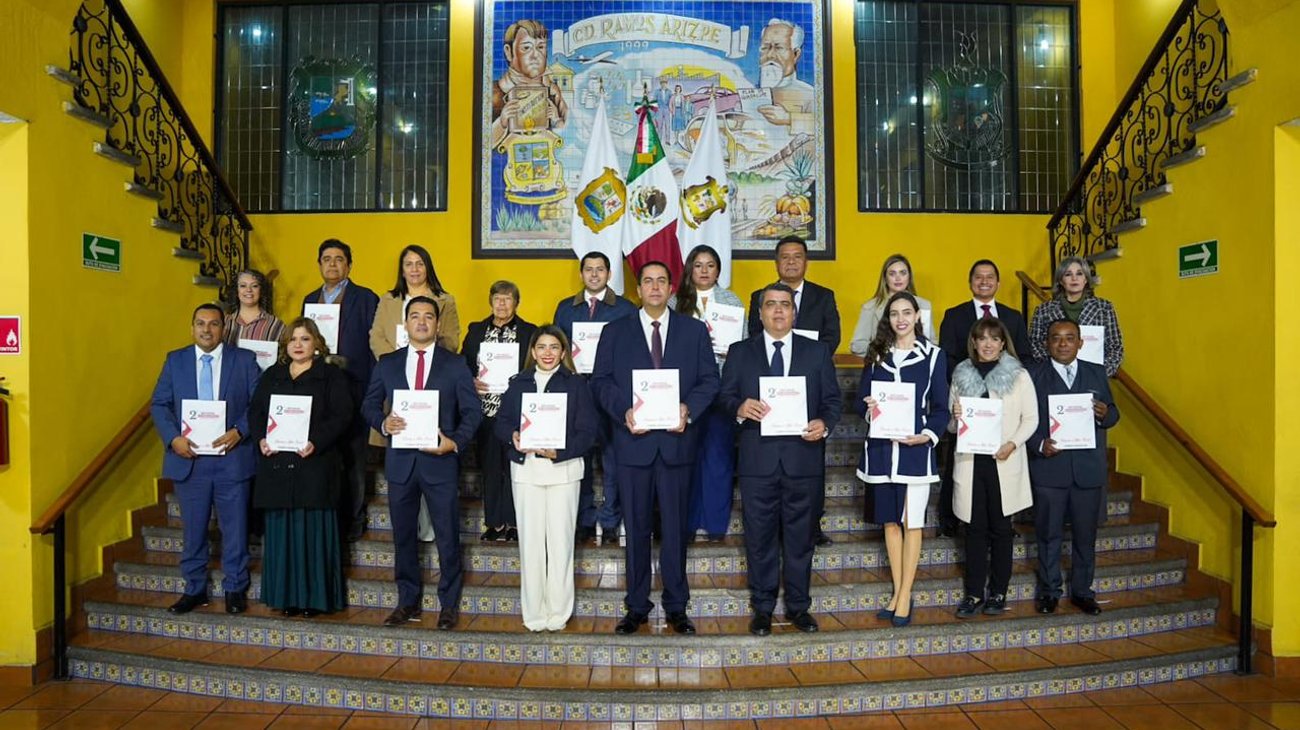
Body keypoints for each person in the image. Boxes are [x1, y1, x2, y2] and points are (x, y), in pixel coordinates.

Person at [591, 261, 720, 636]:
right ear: (638, 289)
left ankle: (677, 606)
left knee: (676, 530)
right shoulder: (615, 332)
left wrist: (688, 409)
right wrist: (624, 411)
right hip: (634, 445)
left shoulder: (693, 331)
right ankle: (636, 606)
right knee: (636, 529)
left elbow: (709, 381)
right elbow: (601, 382)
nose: (655, 287)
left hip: (677, 445)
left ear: (671, 288)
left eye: (662, 281)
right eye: (648, 281)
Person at [720, 283, 841, 636]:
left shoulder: (817, 352)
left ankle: (799, 607)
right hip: (757, 462)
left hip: (803, 460)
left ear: (794, 312)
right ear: (759, 314)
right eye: (770, 304)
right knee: (759, 539)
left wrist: (825, 423)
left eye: (784, 305)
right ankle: (762, 607)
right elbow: (724, 396)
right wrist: (740, 407)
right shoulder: (740, 352)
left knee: (801, 540)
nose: (777, 310)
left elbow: (832, 401)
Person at [362, 296, 482, 629]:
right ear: (406, 324)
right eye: (415, 316)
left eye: (429, 316)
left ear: (438, 324)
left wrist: (454, 442)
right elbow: (368, 405)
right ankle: (407, 601)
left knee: (447, 535)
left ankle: (448, 604)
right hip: (400, 462)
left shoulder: (455, 364)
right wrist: (383, 423)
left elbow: (473, 411)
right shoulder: (387, 363)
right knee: (402, 536)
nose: (422, 321)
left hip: (439, 463)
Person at [149, 303, 261, 615]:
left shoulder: (244, 360)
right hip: (190, 460)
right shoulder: (176, 361)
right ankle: (194, 589)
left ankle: (235, 588)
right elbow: (159, 404)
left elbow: (258, 403)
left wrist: (240, 431)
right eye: (200, 323)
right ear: (192, 327)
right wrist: (173, 438)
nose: (207, 330)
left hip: (231, 459)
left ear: (223, 328)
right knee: (193, 530)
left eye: (213, 324)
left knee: (235, 529)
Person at [495, 325, 598, 631]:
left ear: (564, 352)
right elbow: (501, 423)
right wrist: (513, 435)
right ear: (533, 351)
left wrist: (560, 451)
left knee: (561, 544)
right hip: (526, 471)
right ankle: (534, 613)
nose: (548, 353)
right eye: (541, 347)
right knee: (530, 545)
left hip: (563, 472)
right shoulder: (518, 382)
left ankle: (558, 612)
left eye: (554, 347)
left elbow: (589, 432)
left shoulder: (576, 384)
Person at [247, 318, 352, 618]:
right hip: (278, 468)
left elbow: (343, 415)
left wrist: (316, 441)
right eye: (293, 339)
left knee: (312, 536)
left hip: (315, 467)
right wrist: (261, 439)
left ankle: (314, 599)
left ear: (317, 344)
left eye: (305, 339)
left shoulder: (331, 376)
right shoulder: (273, 375)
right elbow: (256, 413)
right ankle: (285, 598)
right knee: (282, 536)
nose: (298, 344)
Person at [856, 292, 948, 627]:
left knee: (913, 522)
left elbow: (941, 408)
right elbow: (861, 401)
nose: (901, 319)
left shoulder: (934, 356)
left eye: (907, 312)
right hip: (881, 451)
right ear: (887, 319)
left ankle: (905, 594)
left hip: (915, 452)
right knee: (891, 523)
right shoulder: (876, 354)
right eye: (894, 314)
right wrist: (869, 408)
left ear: (917, 316)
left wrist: (928, 435)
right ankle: (897, 592)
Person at [747, 235, 840, 545]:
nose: (790, 261)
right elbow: (754, 337)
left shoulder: (823, 296)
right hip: (770, 390)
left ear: (805, 261)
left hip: (809, 390)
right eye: (784, 256)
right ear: (776, 262)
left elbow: (832, 336)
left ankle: (812, 526)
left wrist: (805, 359)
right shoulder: (759, 296)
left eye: (797, 256)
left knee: (811, 464)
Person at [1027, 319, 1119, 616]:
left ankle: (1082, 591)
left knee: (1085, 537)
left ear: (1080, 343)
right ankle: (1049, 591)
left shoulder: (1096, 372)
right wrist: (1038, 444)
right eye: (1056, 338)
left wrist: (1105, 414)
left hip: (1087, 469)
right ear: (1047, 344)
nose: (1063, 343)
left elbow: (1113, 412)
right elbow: (1021, 419)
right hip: (1049, 468)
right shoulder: (1032, 376)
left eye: (1069, 338)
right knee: (1048, 534)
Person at [947, 318, 1038, 618]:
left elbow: (1031, 419)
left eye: (994, 339)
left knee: (1001, 530)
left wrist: (1012, 444)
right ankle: (973, 593)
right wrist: (955, 416)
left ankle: (998, 591)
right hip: (972, 463)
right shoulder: (961, 374)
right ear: (973, 342)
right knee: (974, 530)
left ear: (1002, 343)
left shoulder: (1019, 375)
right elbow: (951, 426)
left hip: (1004, 461)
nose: (988, 344)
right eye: (982, 338)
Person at [936, 259, 1031, 536]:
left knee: (1002, 473)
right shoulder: (954, 315)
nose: (984, 281)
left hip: (1005, 406)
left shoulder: (1013, 317)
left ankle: (1002, 524)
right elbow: (947, 356)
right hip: (968, 404)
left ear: (998, 283)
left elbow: (1023, 355)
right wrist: (968, 387)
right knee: (960, 469)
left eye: (990, 277)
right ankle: (953, 520)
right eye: (978, 277)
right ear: (970, 282)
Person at [553, 251, 637, 544]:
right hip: (577, 390)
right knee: (580, 457)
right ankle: (584, 518)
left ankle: (611, 519)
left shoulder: (625, 309)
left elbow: (631, 351)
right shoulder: (565, 308)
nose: (594, 274)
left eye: (600, 269)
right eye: (588, 269)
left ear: (609, 274)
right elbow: (557, 348)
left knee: (613, 458)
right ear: (581, 274)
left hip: (612, 391)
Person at [301, 239, 379, 543]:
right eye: (326, 259)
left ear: (349, 265)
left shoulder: (366, 298)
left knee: (354, 455)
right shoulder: (310, 300)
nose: (332, 264)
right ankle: (327, 516)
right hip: (319, 388)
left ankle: (354, 519)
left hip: (355, 385)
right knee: (324, 454)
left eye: (338, 259)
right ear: (319, 264)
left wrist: (373, 390)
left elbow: (373, 347)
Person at [669, 244, 744, 542]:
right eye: (698, 265)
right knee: (687, 459)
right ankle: (687, 522)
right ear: (689, 268)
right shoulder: (675, 302)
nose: (704, 270)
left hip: (723, 388)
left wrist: (731, 351)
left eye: (710, 265)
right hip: (686, 392)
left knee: (718, 458)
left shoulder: (732, 301)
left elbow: (744, 344)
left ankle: (715, 524)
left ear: (718, 270)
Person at [462, 281, 536, 542]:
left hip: (517, 412)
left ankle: (515, 523)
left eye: (507, 299)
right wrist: (470, 381)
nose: (502, 304)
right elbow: (463, 365)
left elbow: (536, 366)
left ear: (517, 303)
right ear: (490, 301)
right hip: (487, 410)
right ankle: (494, 522)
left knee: (516, 467)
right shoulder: (476, 331)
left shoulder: (529, 332)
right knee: (491, 468)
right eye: (497, 298)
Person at [1028, 256, 1124, 377]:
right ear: (1061, 281)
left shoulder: (1104, 308)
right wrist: (1054, 371)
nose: (1074, 278)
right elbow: (1034, 344)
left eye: (1079, 273)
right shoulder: (1043, 310)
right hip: (1053, 377)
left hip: (1093, 378)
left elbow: (1115, 347)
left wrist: (1100, 374)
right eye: (1068, 274)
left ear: (1086, 279)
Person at [489, 19, 568, 149]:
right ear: (509, 52)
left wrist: (557, 121)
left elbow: (570, 139)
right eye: (526, 48)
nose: (535, 55)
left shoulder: (553, 92)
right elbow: (480, 144)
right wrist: (502, 123)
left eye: (540, 47)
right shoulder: (495, 93)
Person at [849, 255, 931, 357]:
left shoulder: (924, 305)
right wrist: (887, 352)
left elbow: (931, 343)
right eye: (892, 274)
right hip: (882, 363)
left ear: (909, 277)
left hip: (918, 363)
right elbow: (857, 346)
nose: (898, 278)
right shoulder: (870, 307)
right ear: (885, 278)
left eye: (903, 273)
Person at [755, 18, 814, 134]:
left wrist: (787, 118)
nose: (770, 55)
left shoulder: (809, 95)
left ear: (796, 54)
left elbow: (823, 125)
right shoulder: (748, 91)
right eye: (765, 48)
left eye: (779, 48)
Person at [223, 269, 285, 347]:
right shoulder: (225, 322)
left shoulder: (276, 325)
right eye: (243, 286)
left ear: (261, 290)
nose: (249, 290)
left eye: (254, 286)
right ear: (236, 290)